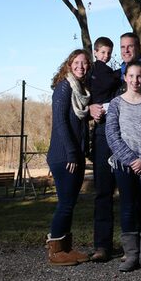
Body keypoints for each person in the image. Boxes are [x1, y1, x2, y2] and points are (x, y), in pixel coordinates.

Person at [105, 60, 141, 271]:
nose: (135, 80)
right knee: (128, 208)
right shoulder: (116, 104)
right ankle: (131, 254)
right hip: (124, 165)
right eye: (131, 76)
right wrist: (131, 160)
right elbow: (112, 135)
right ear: (125, 78)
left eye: (139, 76)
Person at [45, 49, 93, 265]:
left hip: (76, 155)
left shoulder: (81, 90)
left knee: (70, 203)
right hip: (64, 156)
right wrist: (72, 154)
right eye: (77, 62)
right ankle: (55, 251)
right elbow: (61, 123)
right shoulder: (64, 87)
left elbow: (80, 126)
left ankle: (66, 248)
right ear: (69, 64)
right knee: (65, 203)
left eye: (84, 63)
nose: (81, 66)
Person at [87, 36, 120, 262]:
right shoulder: (95, 73)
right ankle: (102, 244)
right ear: (96, 52)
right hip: (101, 133)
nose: (106, 56)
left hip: (126, 134)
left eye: (109, 52)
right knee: (103, 192)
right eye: (102, 52)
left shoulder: (120, 74)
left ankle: (134, 244)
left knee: (130, 192)